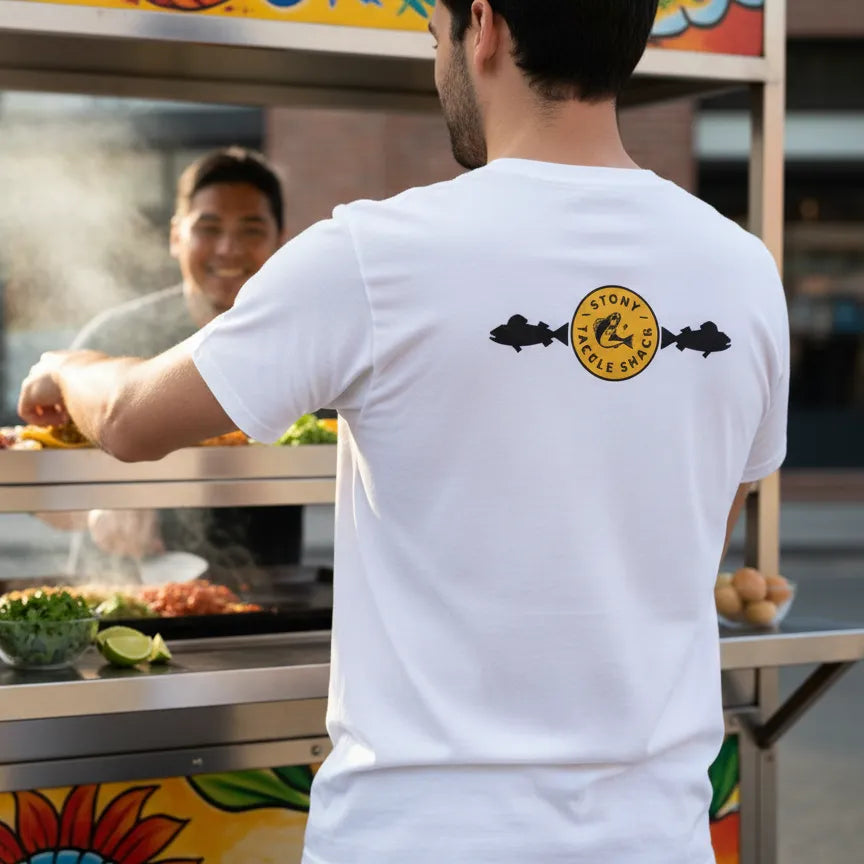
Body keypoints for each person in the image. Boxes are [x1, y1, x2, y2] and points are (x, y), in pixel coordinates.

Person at [19, 2, 790, 863]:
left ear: (485, 28)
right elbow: (695, 541)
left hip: (422, 836)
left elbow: (130, 421)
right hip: (656, 837)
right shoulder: (743, 273)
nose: (437, 63)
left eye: (435, 37)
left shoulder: (374, 255)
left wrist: (65, 366)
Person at [66, 147, 305, 578]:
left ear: (280, 239)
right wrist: (94, 511)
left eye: (251, 230)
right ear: (176, 236)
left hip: (269, 601)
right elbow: (29, 469)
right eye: (208, 228)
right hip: (120, 596)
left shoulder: (305, 347)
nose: (229, 249)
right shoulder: (110, 340)